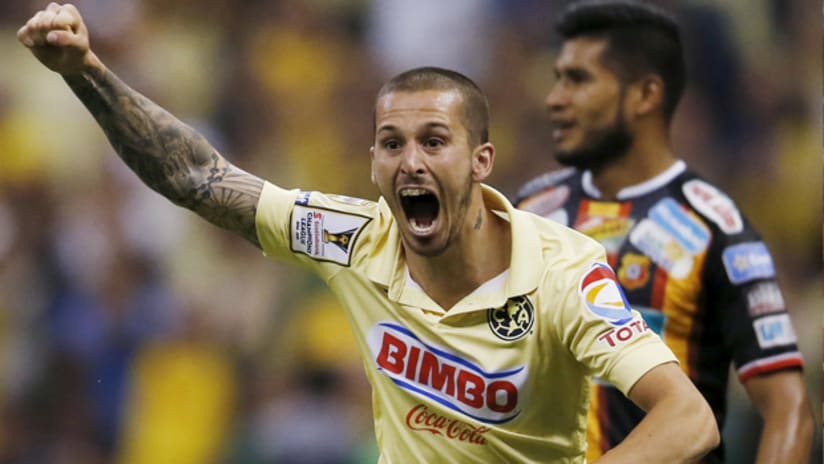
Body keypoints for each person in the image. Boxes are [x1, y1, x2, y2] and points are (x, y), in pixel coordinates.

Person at [18, 3, 720, 462]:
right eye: (391, 142)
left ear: (481, 162)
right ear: (375, 163)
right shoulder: (352, 237)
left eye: (434, 140)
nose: (410, 159)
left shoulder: (564, 271)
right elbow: (196, 177)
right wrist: (87, 73)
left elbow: (689, 420)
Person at [514, 1, 814, 463]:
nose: (555, 97)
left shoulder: (716, 230)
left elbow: (787, 408)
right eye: (558, 78)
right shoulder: (529, 212)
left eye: (578, 79)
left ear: (645, 95)